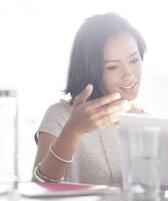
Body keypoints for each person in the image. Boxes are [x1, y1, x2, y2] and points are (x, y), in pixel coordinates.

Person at [32, 13, 147, 185]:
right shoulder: (61, 116)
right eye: (113, 66)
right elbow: (39, 187)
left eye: (134, 60)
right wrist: (73, 131)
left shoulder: (150, 123)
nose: (129, 74)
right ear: (90, 71)